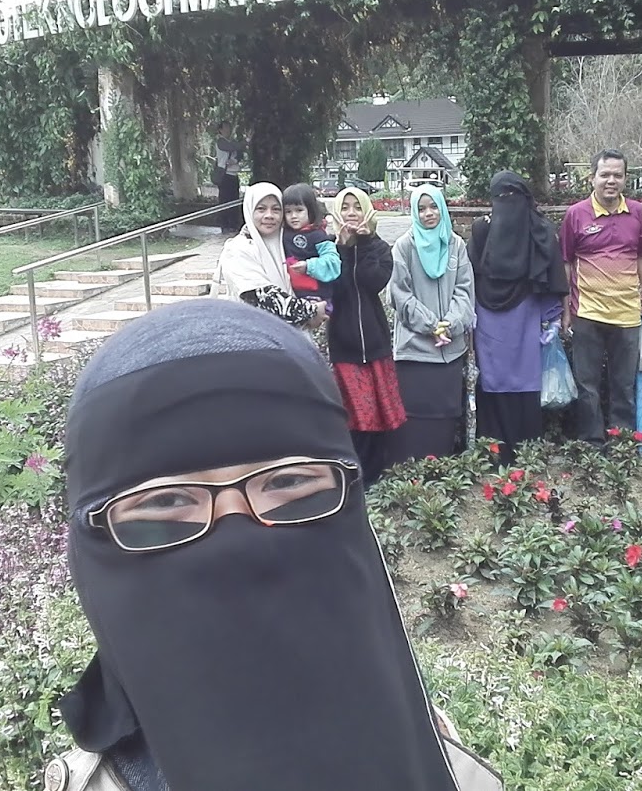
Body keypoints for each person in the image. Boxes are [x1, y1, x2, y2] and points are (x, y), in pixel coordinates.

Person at [53, 299, 504, 791]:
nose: (237, 542)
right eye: (165, 502)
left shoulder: (449, 763)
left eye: (288, 482)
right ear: (92, 544)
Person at [468, 170, 569, 465]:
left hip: (526, 318)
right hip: (487, 321)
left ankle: (526, 454)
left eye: (512, 197)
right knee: (491, 382)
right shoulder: (481, 230)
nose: (506, 203)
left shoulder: (540, 231)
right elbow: (470, 273)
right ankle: (494, 455)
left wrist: (553, 318)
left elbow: (552, 274)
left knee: (525, 383)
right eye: (500, 197)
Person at [560, 149, 642, 446]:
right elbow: (566, 263)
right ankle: (592, 444)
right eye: (605, 175)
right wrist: (566, 309)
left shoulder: (637, 212)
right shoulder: (576, 214)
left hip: (627, 314)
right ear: (592, 178)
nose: (611, 181)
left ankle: (622, 444)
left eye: (617, 175)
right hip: (587, 313)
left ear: (625, 179)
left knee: (623, 385)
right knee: (587, 386)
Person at [389, 185, 475, 462]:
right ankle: (416, 475)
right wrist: (431, 326)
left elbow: (464, 290)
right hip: (415, 351)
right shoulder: (404, 246)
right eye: (421, 208)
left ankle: (445, 473)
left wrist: (449, 323)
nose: (428, 213)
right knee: (416, 419)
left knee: (445, 417)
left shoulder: (455, 245)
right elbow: (399, 295)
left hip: (450, 350)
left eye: (433, 206)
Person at [328, 186, 406, 483]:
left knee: (377, 419)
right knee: (352, 419)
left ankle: (374, 478)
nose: (351, 213)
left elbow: (373, 280)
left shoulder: (380, 248)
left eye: (357, 206)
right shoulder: (328, 249)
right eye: (345, 207)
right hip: (344, 347)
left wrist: (363, 243)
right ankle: (353, 478)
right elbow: (334, 288)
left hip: (374, 346)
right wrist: (343, 248)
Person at [216, 182, 325, 330]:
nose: (269, 215)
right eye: (261, 209)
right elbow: (261, 297)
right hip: (256, 335)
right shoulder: (238, 249)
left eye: (276, 209)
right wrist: (311, 311)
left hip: (294, 336)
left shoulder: (286, 243)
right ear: (249, 210)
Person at [281, 183, 341, 310]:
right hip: (291, 294)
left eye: (299, 210)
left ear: (311, 210)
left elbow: (333, 262)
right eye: (288, 211)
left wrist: (309, 266)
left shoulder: (318, 235)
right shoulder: (282, 233)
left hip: (316, 296)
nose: (293, 216)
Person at [212, 123, 245, 232]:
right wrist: (246, 141)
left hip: (233, 174)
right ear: (220, 130)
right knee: (225, 200)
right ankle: (225, 225)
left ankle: (234, 225)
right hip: (225, 176)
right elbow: (233, 147)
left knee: (234, 200)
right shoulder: (221, 142)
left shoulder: (232, 141)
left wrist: (235, 160)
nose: (228, 130)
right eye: (225, 128)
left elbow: (240, 153)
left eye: (229, 127)